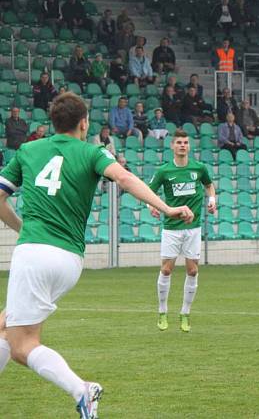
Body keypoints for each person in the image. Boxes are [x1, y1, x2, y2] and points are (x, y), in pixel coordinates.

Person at [0, 92, 193, 419]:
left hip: (34, 254)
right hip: (70, 260)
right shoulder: (93, 151)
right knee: (5, 324)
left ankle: (82, 391)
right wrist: (167, 207)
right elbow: (124, 177)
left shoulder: (28, 150)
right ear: (84, 122)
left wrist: (23, 229)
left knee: (22, 345)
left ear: (52, 122)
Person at [148, 129, 215, 333]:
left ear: (189, 146)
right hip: (171, 228)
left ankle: (185, 313)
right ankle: (162, 311)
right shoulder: (164, 171)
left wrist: (212, 200)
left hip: (193, 228)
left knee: (193, 270)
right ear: (172, 146)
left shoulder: (199, 168)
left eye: (185, 142)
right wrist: (152, 206)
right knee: (166, 269)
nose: (183, 145)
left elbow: (209, 186)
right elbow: (150, 192)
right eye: (179, 142)